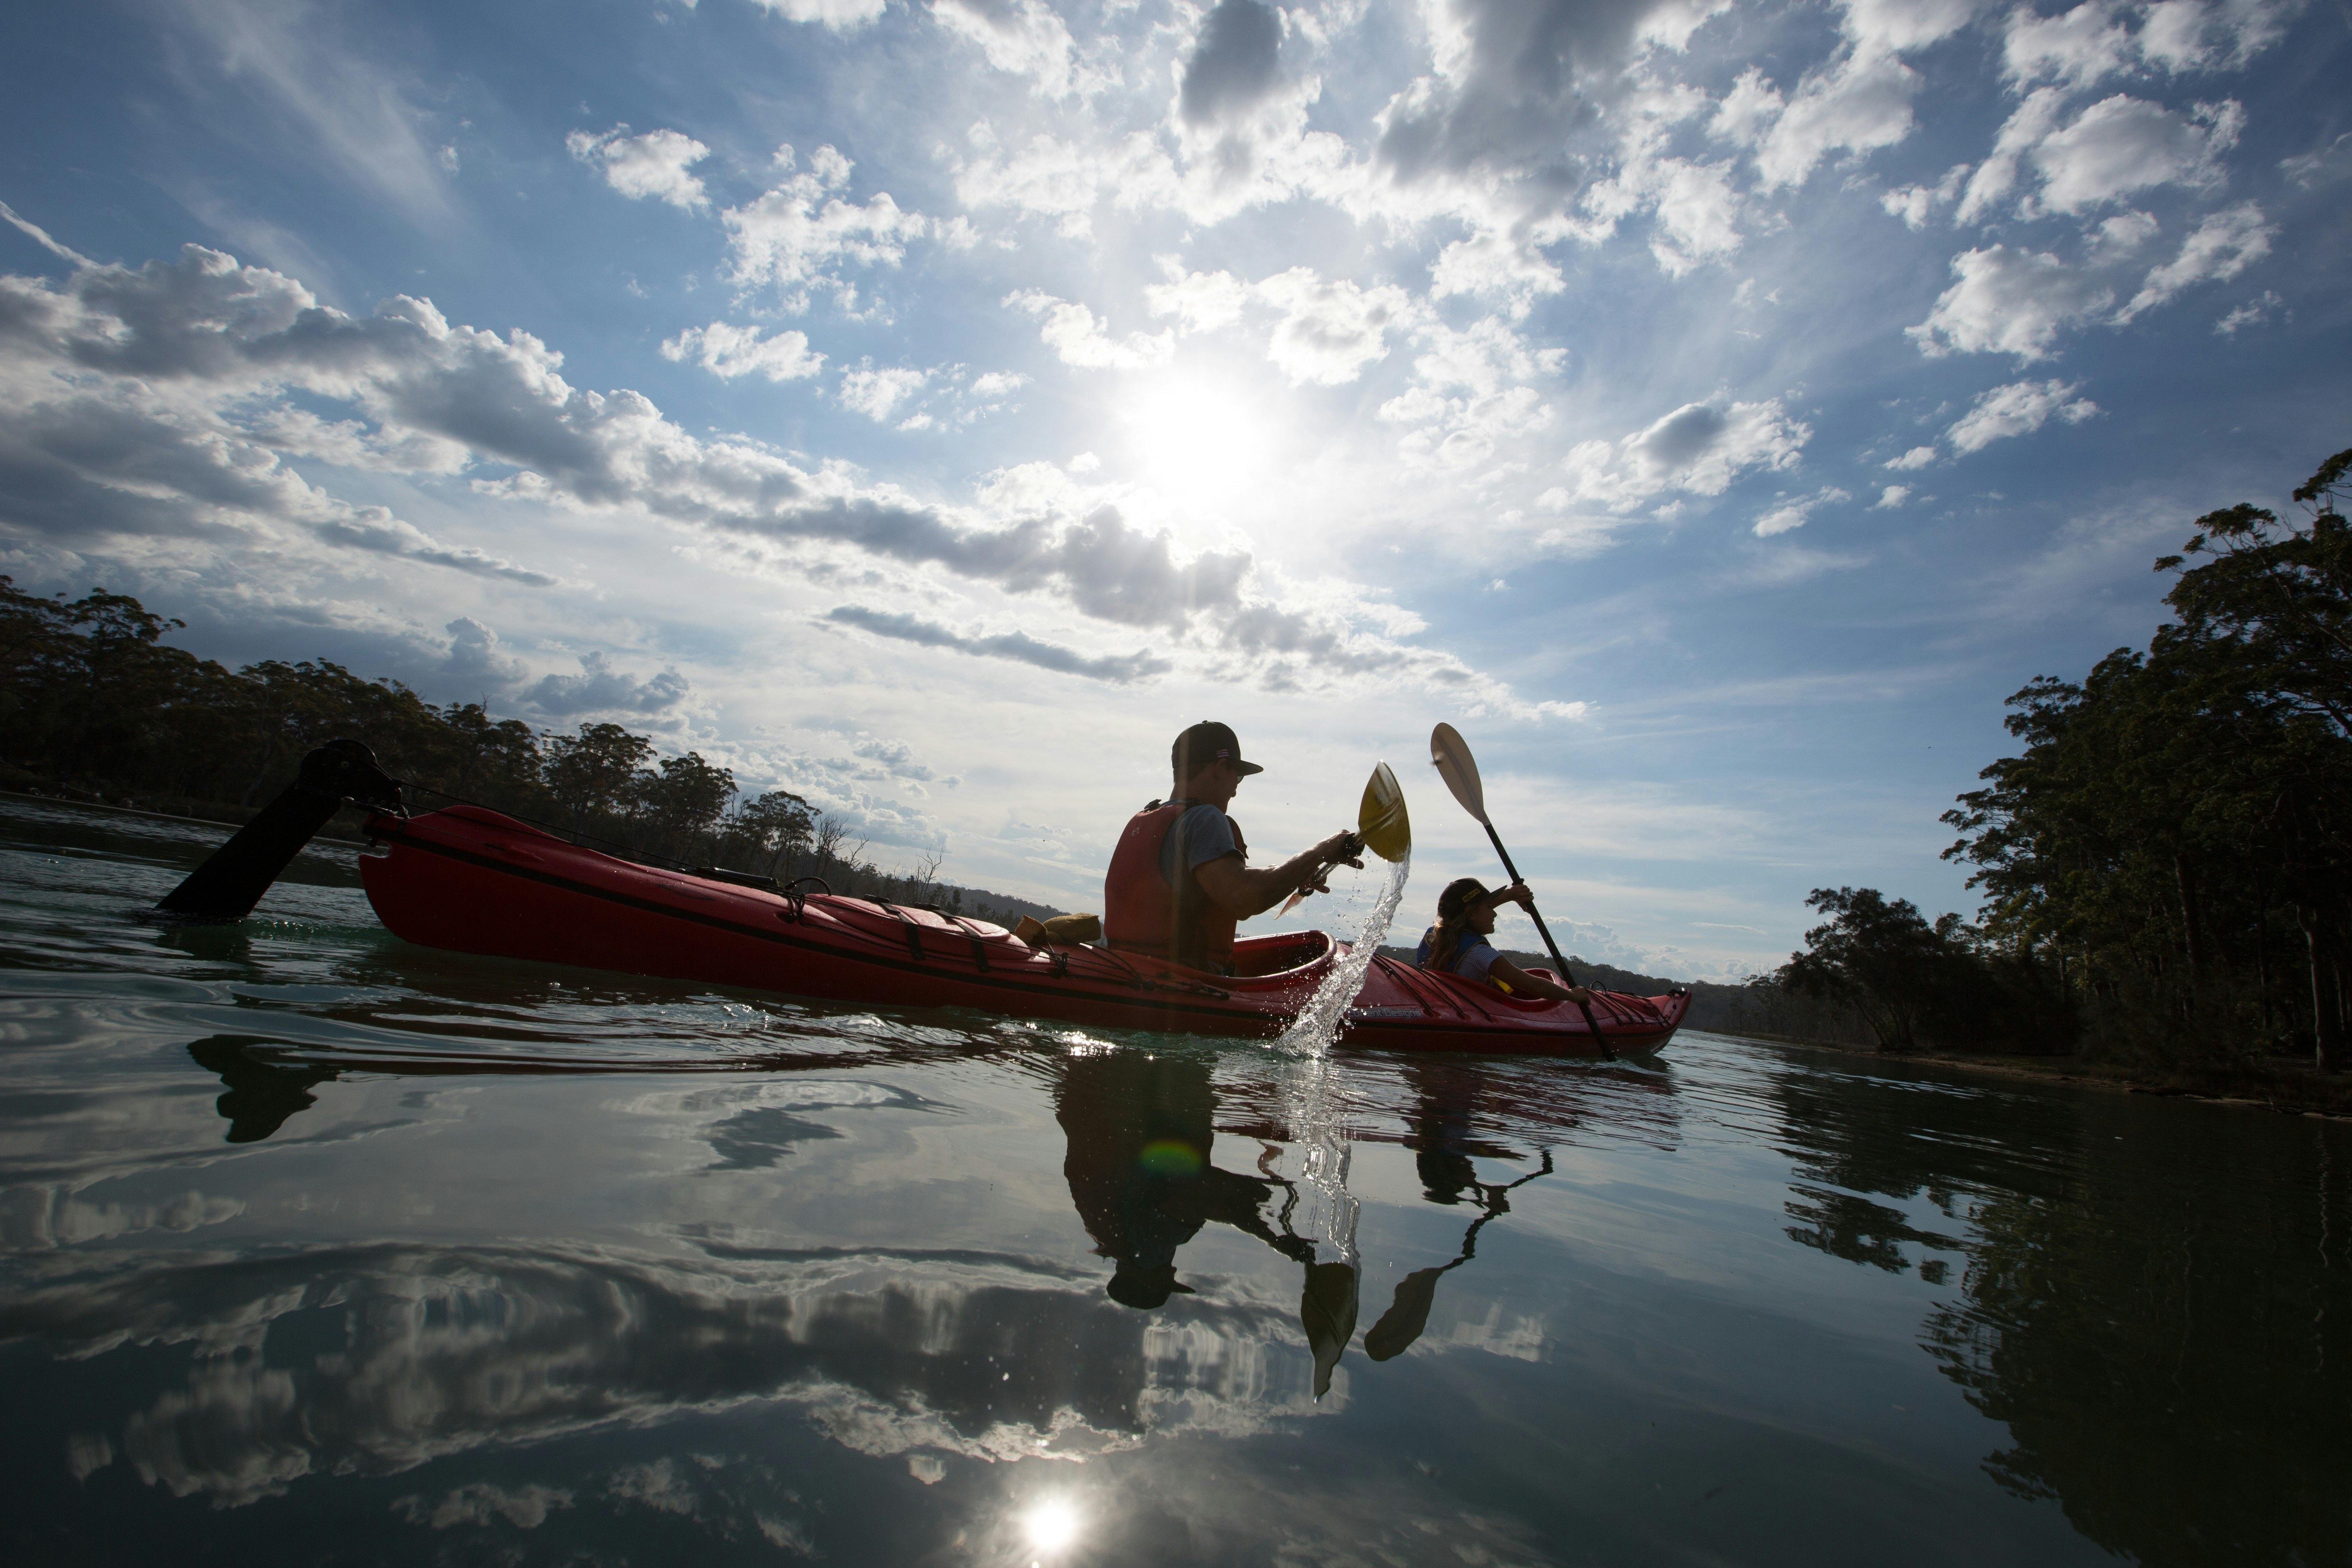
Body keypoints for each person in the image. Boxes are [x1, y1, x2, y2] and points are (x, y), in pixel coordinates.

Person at [1102, 721, 1363, 975]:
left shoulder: (1146, 818)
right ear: (1220, 767)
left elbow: (1221, 881)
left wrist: (1296, 872)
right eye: (1237, 777)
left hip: (1125, 969)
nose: (1235, 791)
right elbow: (1244, 898)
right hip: (1183, 982)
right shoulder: (1204, 818)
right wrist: (1321, 851)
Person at [1414, 877, 1592, 1002]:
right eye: (1490, 907)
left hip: (1445, 1003)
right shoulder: (1481, 955)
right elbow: (1533, 985)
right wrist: (1572, 996)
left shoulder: (1434, 938)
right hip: (1480, 1012)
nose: (1495, 913)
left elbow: (1468, 913)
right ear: (1472, 913)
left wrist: (1511, 895)